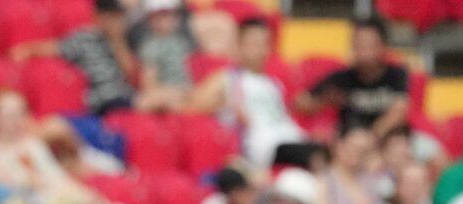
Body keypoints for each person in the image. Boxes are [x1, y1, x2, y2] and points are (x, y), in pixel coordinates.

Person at [188, 18, 306, 169]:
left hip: (289, 139)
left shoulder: (273, 84)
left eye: (265, 44)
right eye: (255, 44)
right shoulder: (228, 78)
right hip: (261, 149)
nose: (262, 50)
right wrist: (224, 106)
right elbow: (191, 107)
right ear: (239, 46)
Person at [12, 0, 138, 117]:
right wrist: (26, 50)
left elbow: (130, 75)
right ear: (100, 17)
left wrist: (117, 41)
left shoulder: (119, 42)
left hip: (124, 96)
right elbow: (55, 48)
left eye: (118, 17)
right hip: (104, 100)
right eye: (113, 17)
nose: (118, 22)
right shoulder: (84, 38)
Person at [295, 17, 408, 139]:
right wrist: (323, 101)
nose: (363, 51)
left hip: (389, 138)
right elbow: (300, 102)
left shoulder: (396, 74)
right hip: (350, 140)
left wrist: (372, 136)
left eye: (368, 45)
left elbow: (399, 111)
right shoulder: (341, 78)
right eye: (359, 44)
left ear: (383, 46)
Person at [321, 125, 385, 204]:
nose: (358, 154)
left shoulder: (375, 179)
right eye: (354, 148)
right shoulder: (324, 180)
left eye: (364, 150)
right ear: (339, 145)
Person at [137, 0, 193, 112]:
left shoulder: (182, 42)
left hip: (187, 90)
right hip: (167, 92)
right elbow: (149, 84)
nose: (163, 21)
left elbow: (189, 72)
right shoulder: (151, 46)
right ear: (149, 19)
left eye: (167, 15)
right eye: (157, 16)